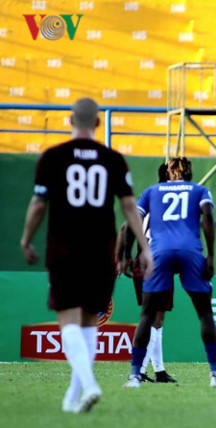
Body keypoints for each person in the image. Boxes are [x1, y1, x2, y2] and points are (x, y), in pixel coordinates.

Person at [20, 98, 153, 413]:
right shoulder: (114, 159)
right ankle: (72, 397)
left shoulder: (53, 157)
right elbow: (129, 206)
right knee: (90, 322)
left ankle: (89, 384)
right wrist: (145, 249)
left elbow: (39, 205)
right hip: (100, 248)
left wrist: (26, 239)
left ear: (70, 120)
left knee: (68, 320)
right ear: (97, 123)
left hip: (64, 247)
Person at [124, 157, 216, 388]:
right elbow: (208, 218)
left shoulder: (152, 191)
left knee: (147, 315)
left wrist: (127, 255)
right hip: (190, 251)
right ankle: (215, 374)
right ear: (190, 172)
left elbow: (133, 220)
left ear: (169, 173)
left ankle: (135, 376)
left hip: (158, 252)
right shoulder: (200, 190)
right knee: (205, 313)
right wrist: (211, 255)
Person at [116, 162, 176, 383]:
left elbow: (126, 227)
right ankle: (139, 371)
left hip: (144, 263)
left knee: (155, 319)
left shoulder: (149, 197)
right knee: (153, 318)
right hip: (156, 263)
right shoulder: (169, 201)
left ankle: (158, 370)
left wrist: (123, 257)